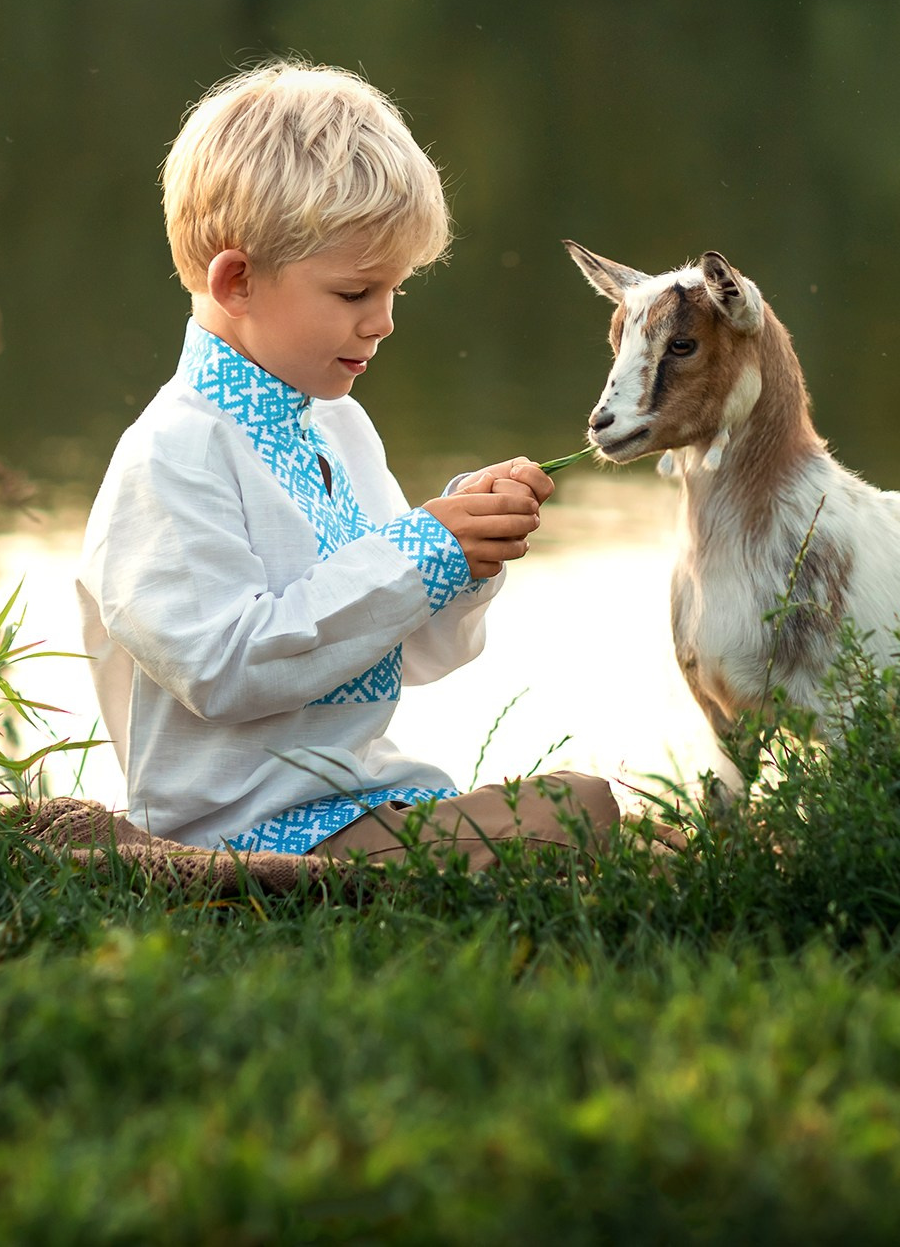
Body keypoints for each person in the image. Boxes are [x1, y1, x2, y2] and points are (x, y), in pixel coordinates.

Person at [77, 61, 618, 866]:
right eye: (355, 292)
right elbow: (225, 670)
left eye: (395, 290)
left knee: (591, 803)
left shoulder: (340, 426)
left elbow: (408, 654)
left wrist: (463, 554)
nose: (385, 321)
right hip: (243, 828)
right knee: (572, 816)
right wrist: (420, 553)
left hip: (367, 799)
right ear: (238, 280)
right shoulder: (172, 454)